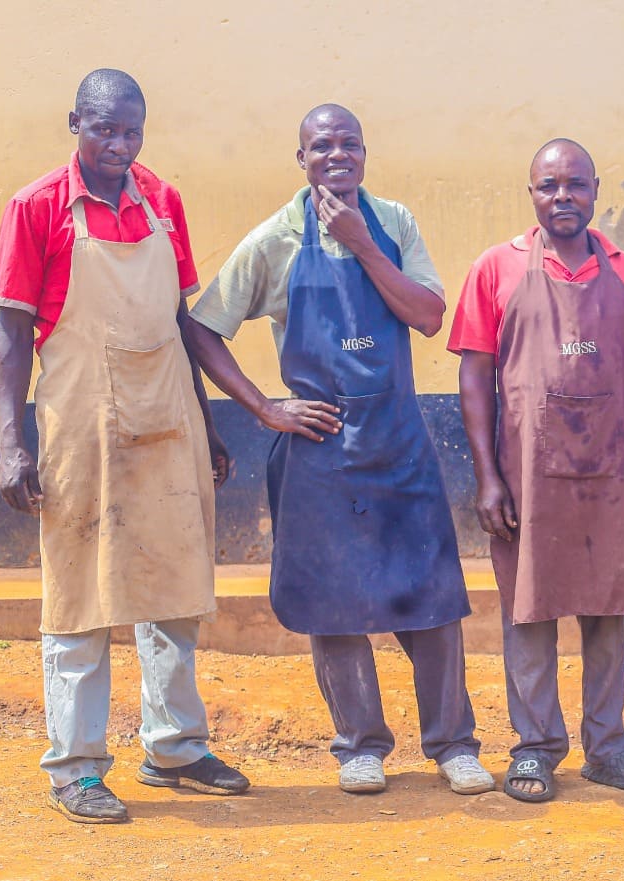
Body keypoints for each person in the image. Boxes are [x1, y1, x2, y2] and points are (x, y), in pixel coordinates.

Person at [182, 104, 491, 797]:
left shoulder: (395, 222)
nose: (336, 155)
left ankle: (453, 745)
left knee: (434, 599)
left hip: (400, 441)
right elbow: (203, 328)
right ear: (302, 159)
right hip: (320, 451)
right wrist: (264, 406)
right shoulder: (274, 240)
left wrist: (361, 243)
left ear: (364, 152)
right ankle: (359, 746)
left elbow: (429, 315)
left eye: (349, 143)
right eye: (321, 146)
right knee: (334, 605)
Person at [0, 69, 248, 823]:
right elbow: (9, 336)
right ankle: (75, 764)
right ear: (75, 121)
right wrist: (11, 443)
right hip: (80, 421)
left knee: (171, 584)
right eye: (104, 129)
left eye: (132, 131)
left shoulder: (161, 200)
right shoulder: (35, 207)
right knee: (78, 590)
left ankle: (174, 746)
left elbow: (177, 322)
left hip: (166, 418)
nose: (119, 145)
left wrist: (207, 423)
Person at [448, 139, 624, 802]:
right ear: (532, 194)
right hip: (526, 474)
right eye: (549, 186)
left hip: (607, 474)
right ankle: (535, 747)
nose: (562, 198)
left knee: (607, 611)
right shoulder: (496, 269)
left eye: (575, 185)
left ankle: (608, 748)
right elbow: (474, 377)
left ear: (596, 190)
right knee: (529, 612)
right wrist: (488, 477)